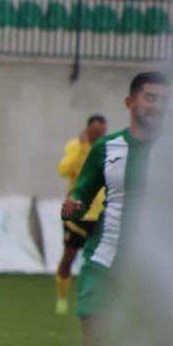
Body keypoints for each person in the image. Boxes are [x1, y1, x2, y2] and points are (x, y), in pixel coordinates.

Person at [61, 71, 167, 346]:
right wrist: (72, 207)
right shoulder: (107, 148)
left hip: (155, 273)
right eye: (151, 97)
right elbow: (81, 194)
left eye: (164, 100)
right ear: (130, 102)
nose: (158, 105)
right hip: (104, 262)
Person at [53, 112, 108, 314]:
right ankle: (61, 299)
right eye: (94, 132)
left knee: (99, 263)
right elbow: (63, 170)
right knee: (68, 258)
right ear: (88, 130)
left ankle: (96, 300)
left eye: (101, 132)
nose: (98, 136)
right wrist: (83, 148)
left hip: (100, 213)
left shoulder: (108, 149)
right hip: (77, 211)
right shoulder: (74, 146)